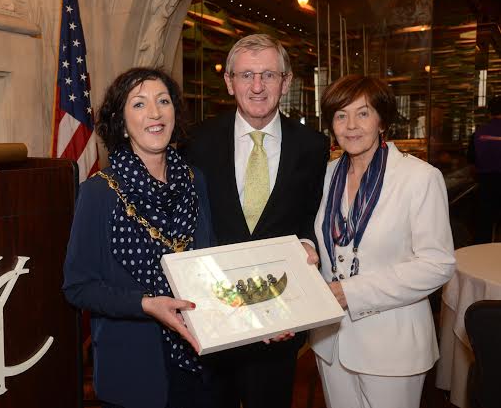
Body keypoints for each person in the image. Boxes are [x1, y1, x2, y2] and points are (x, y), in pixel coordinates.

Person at [183, 33, 329, 408]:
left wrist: (308, 247)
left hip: (278, 316)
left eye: (268, 74)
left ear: (286, 81)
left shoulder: (313, 146)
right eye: (246, 75)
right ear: (230, 82)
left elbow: (314, 217)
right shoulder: (195, 142)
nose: (258, 86)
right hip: (212, 315)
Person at [62, 67, 215, 408]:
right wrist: (146, 305)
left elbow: (210, 266)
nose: (155, 113)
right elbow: (78, 286)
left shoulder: (195, 181)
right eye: (139, 104)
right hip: (134, 371)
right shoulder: (99, 193)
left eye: (163, 101)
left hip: (199, 363)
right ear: (120, 119)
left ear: (175, 110)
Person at [309, 75, 456, 408]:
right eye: (340, 115)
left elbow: (438, 264)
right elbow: (316, 236)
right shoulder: (326, 174)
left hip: (392, 344)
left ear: (382, 120)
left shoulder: (419, 178)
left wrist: (352, 293)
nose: (351, 125)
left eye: (363, 113)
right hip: (331, 340)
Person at [470, 95, 501, 243]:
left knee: (484, 225)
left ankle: (480, 261)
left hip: (486, 185)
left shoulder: (479, 133)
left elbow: (471, 160)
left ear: (490, 112)